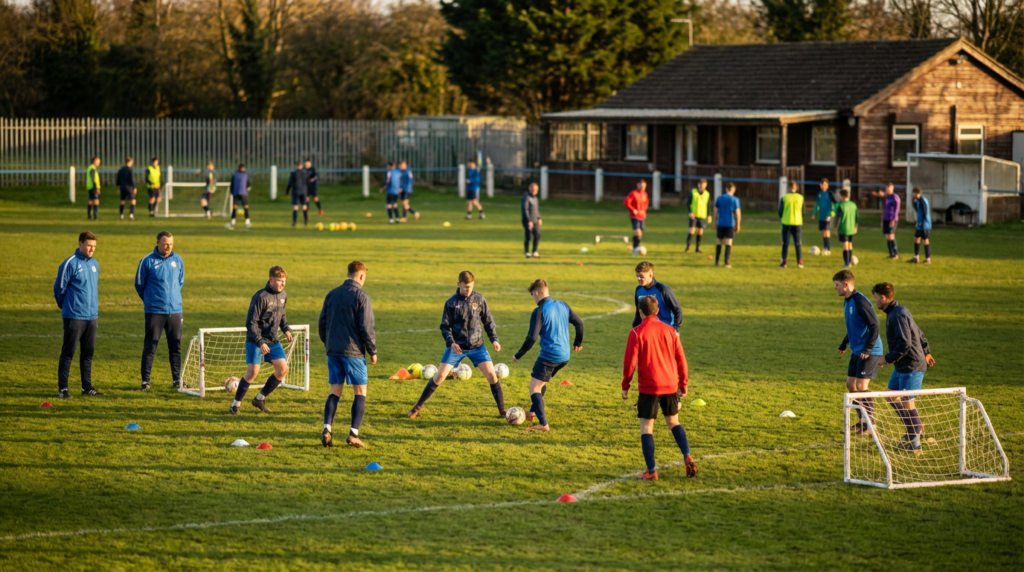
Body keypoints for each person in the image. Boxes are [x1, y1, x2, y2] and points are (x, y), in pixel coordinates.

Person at [407, 271, 504, 420]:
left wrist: (494, 340)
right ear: (459, 284)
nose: (468, 290)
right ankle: (417, 407)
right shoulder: (451, 303)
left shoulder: (479, 299)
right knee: (439, 376)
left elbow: (488, 322)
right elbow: (445, 327)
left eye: (470, 287)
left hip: (477, 346)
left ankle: (502, 410)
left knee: (492, 375)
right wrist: (451, 343)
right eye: (465, 287)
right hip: (456, 347)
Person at [622, 296, 695, 480]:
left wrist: (626, 385)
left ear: (640, 312)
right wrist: (683, 385)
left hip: (649, 387)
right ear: (657, 310)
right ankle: (687, 455)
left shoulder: (637, 332)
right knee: (674, 422)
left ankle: (652, 471)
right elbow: (681, 360)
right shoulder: (670, 330)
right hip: (670, 385)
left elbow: (629, 362)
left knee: (647, 428)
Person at [871, 282, 936, 453]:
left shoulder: (897, 315)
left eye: (876, 297)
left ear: (883, 298)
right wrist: (927, 351)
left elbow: (905, 344)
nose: (875, 300)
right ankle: (915, 428)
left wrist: (887, 359)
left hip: (912, 364)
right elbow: (919, 331)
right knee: (890, 396)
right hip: (903, 364)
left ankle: (914, 443)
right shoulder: (898, 311)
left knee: (908, 402)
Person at [318, 260, 377, 448]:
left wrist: (328, 344)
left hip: (333, 351)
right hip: (353, 352)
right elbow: (366, 327)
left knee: (334, 391)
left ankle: (327, 428)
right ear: (361, 276)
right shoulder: (362, 296)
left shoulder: (332, 294)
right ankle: (353, 434)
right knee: (360, 392)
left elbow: (322, 323)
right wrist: (372, 350)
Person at [512, 279, 584, 432]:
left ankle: (543, 425)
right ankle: (533, 411)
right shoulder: (563, 305)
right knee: (541, 382)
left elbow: (532, 337)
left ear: (537, 292)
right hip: (564, 356)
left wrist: (518, 354)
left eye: (532, 295)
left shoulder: (539, 311)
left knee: (534, 387)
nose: (533, 298)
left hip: (550, 356)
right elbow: (580, 324)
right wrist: (577, 343)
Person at [230, 266, 293, 414]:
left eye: (284, 281)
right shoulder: (261, 297)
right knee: (252, 372)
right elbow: (251, 323)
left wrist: (286, 329)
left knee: (283, 369)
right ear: (271, 280)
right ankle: (235, 405)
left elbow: (282, 315)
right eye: (279, 281)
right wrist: (260, 341)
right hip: (255, 339)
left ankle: (259, 399)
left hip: (273, 339)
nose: (282, 284)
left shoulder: (283, 295)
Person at [833, 269, 883, 435]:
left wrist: (868, 349)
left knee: (862, 386)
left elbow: (875, 325)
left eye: (837, 285)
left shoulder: (860, 301)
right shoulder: (847, 301)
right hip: (857, 350)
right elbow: (854, 326)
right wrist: (844, 343)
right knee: (851, 385)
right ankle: (863, 421)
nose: (835, 288)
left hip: (869, 350)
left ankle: (871, 424)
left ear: (846, 285)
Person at [53, 231, 103, 398]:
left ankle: (87, 387)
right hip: (74, 315)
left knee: (88, 353)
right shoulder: (70, 263)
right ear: (80, 244)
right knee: (69, 352)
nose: (91, 249)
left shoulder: (95, 264)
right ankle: (63, 389)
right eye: (89, 245)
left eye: (94, 246)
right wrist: (67, 307)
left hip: (91, 316)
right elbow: (59, 289)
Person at [135, 231, 185, 391]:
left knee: (175, 347)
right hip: (154, 311)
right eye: (165, 243)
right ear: (157, 243)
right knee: (150, 346)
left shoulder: (178, 260)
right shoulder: (147, 261)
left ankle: (177, 380)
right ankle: (145, 381)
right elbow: (139, 284)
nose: (168, 246)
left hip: (175, 311)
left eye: (171, 243)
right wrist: (151, 300)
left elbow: (180, 281)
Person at [632, 261, 682, 332]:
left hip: (665, 330)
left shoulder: (662, 289)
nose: (638, 279)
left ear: (650, 275)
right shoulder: (638, 290)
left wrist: (676, 329)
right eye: (637, 276)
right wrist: (635, 327)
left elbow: (677, 309)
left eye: (641, 276)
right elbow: (638, 312)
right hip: (648, 331)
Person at [713, 182, 741, 268]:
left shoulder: (720, 198)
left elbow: (715, 211)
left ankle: (717, 262)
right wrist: (738, 224)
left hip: (720, 222)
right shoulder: (735, 200)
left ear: (726, 189)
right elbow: (737, 213)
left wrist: (715, 222)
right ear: (733, 190)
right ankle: (726, 262)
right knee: (728, 242)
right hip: (730, 223)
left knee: (719, 241)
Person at [779, 180, 805, 269]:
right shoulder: (801, 198)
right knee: (798, 243)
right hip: (797, 223)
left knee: (785, 243)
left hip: (786, 222)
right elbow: (803, 212)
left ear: (789, 187)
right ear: (796, 187)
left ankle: (784, 262)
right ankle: (800, 262)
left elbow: (780, 212)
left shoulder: (784, 198)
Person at [684, 179, 711, 253]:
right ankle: (687, 247)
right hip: (694, 215)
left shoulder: (707, 194)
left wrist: (709, 215)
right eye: (701, 185)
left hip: (702, 215)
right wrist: (691, 212)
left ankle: (697, 248)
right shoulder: (693, 192)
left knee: (700, 232)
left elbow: (708, 205)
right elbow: (688, 203)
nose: (702, 187)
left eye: (704, 186)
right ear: (698, 185)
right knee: (691, 231)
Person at [623, 180, 649, 255]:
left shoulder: (645, 194)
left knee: (639, 233)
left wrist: (644, 210)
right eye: (641, 186)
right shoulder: (633, 193)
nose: (642, 187)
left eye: (644, 186)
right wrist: (633, 210)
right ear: (638, 185)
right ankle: (635, 248)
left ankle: (635, 247)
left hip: (642, 216)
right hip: (635, 216)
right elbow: (626, 202)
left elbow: (646, 203)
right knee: (638, 232)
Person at [876, 183, 901, 259]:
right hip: (885, 218)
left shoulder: (895, 198)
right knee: (887, 236)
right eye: (886, 188)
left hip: (892, 219)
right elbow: (884, 208)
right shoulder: (887, 196)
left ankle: (895, 254)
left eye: (889, 188)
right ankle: (891, 253)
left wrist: (893, 219)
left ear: (892, 188)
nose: (887, 190)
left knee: (891, 235)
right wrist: (882, 219)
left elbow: (897, 210)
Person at [835, 189, 858, 268]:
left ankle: (847, 263)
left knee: (845, 246)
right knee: (850, 245)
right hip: (851, 228)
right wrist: (856, 227)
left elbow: (837, 218)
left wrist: (835, 228)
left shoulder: (841, 206)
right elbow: (857, 217)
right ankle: (850, 262)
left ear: (842, 196)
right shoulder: (853, 205)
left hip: (843, 228)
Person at [812, 178, 836, 255]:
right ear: (821, 185)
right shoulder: (819, 193)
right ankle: (825, 248)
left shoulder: (830, 194)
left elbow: (834, 205)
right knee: (823, 231)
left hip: (827, 215)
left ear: (828, 185)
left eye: (826, 185)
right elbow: (817, 204)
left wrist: (830, 214)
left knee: (827, 231)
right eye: (823, 185)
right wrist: (814, 213)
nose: (825, 186)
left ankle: (828, 249)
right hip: (821, 215)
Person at [909, 187, 932, 264]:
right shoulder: (918, 201)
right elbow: (917, 210)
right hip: (920, 223)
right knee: (916, 239)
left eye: (914, 193)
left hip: (924, 224)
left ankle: (928, 259)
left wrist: (922, 222)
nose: (913, 195)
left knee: (925, 240)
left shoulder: (922, 201)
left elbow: (925, 213)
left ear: (917, 193)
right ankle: (916, 257)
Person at [227, 163, 251, 230]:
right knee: (236, 207)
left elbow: (248, 183)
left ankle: (247, 221)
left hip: (240, 193)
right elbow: (232, 184)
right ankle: (233, 221)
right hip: (240, 193)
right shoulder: (239, 175)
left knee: (244, 207)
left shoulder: (241, 175)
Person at [285, 160, 309, 227]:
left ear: (296, 166)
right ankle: (306, 221)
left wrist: (287, 192)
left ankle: (294, 222)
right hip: (304, 192)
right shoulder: (305, 173)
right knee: (304, 206)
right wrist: (307, 194)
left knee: (295, 207)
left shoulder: (293, 173)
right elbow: (308, 183)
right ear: (301, 166)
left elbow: (289, 183)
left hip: (296, 191)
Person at [521, 182, 542, 258]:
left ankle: (535, 251)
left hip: (535, 220)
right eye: (533, 189)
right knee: (528, 236)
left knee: (538, 235)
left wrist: (539, 218)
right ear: (529, 188)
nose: (534, 191)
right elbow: (525, 209)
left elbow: (536, 210)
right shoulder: (526, 198)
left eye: (536, 190)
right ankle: (527, 252)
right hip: (528, 220)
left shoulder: (535, 198)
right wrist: (529, 220)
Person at [116, 157, 136, 221]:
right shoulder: (130, 169)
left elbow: (118, 179)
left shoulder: (121, 169)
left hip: (122, 187)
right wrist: (134, 187)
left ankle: (122, 215)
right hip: (129, 187)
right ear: (130, 161)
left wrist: (118, 186)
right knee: (132, 201)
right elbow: (131, 179)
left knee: (122, 201)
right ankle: (131, 214)